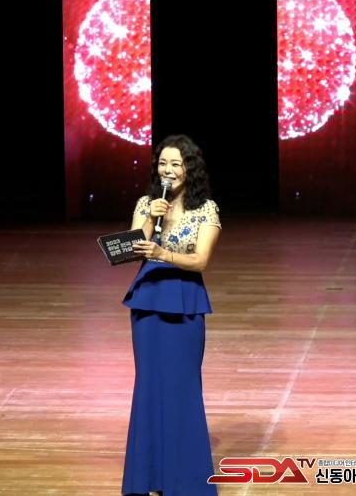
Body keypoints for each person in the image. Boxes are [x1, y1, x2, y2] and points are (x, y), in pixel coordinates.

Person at [121, 134, 221, 496]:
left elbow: (201, 260)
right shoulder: (147, 204)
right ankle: (150, 478)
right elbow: (130, 250)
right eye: (163, 163)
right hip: (148, 300)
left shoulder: (205, 209)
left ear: (190, 169)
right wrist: (149, 218)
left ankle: (185, 479)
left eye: (176, 164)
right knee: (149, 387)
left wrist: (164, 255)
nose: (169, 170)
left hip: (185, 299)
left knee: (182, 387)